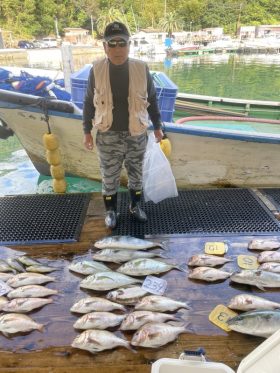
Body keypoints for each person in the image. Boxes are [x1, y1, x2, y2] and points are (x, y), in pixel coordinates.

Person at [82, 21, 163, 229]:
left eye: (122, 43)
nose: (118, 48)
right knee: (109, 176)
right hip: (107, 134)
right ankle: (110, 211)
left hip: (136, 133)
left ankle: (135, 207)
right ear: (105, 47)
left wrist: (158, 126)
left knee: (136, 174)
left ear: (129, 44)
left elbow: (152, 99)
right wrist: (86, 132)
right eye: (112, 43)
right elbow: (88, 101)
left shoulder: (141, 68)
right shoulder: (96, 69)